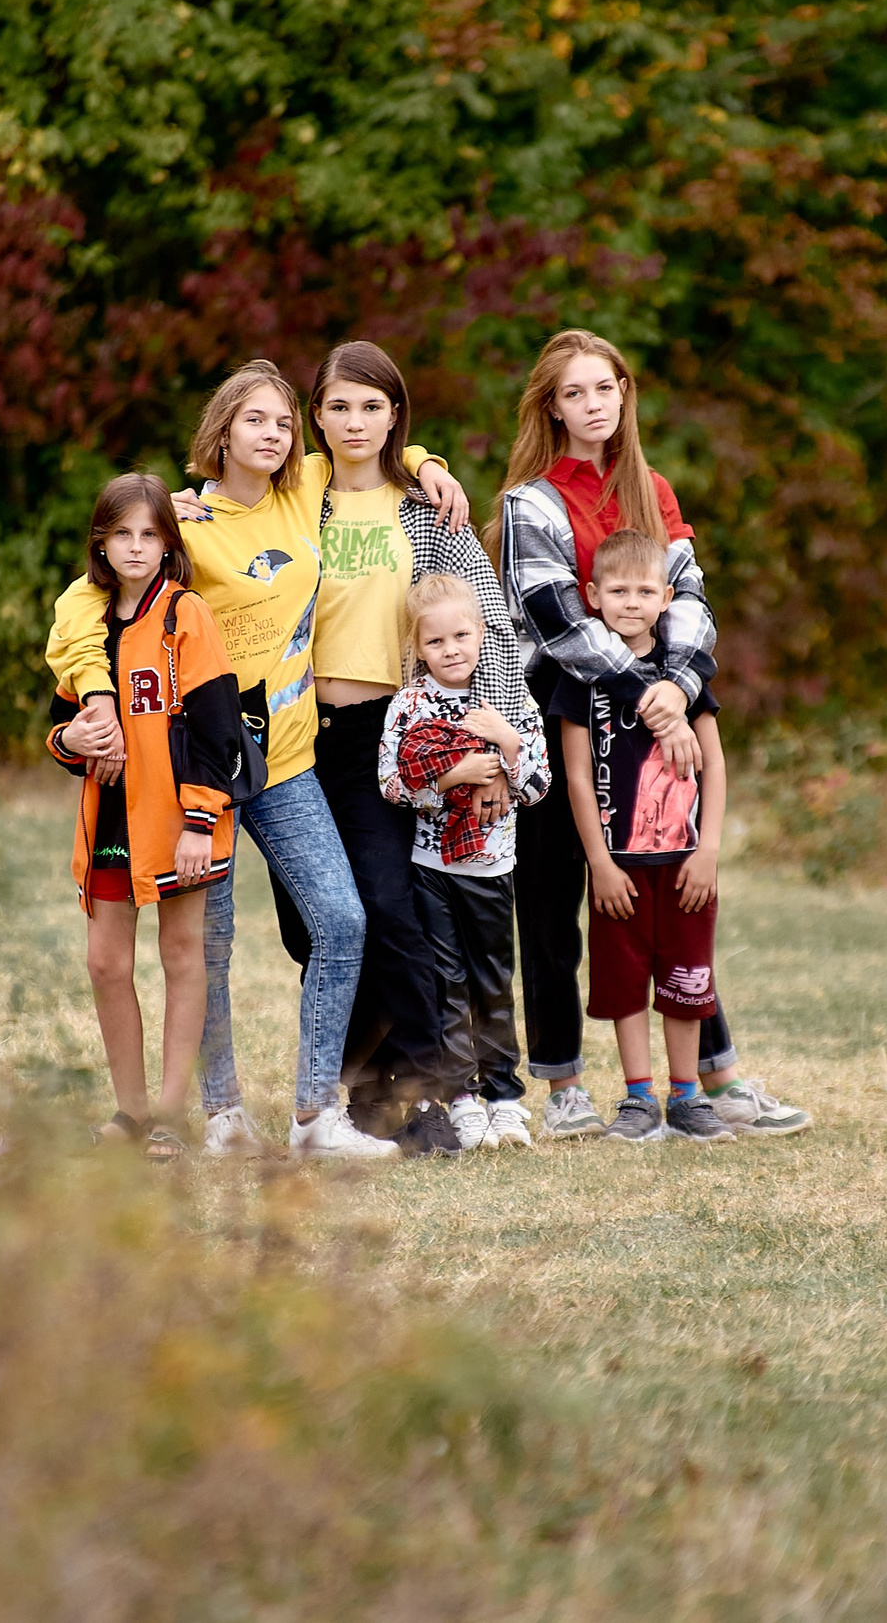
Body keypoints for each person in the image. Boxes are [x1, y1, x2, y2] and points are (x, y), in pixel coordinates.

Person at [46, 362, 436, 1159]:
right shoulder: (180, 520)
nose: (275, 434)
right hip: (198, 770)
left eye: (285, 423)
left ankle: (315, 1115)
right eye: (256, 420)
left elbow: (378, 444)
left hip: (287, 761)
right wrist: (91, 696)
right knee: (208, 947)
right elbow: (85, 600)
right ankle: (223, 1115)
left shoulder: (305, 488)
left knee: (342, 918)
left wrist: (431, 463)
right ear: (221, 430)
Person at [486, 329, 811, 1140]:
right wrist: (649, 694)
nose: (593, 404)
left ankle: (714, 1078)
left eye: (605, 388)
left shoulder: (651, 488)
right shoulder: (532, 502)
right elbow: (556, 621)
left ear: (624, 394)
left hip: (651, 721)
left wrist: (679, 689)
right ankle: (563, 1085)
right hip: (560, 710)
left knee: (669, 898)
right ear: (551, 407)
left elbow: (690, 595)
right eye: (575, 393)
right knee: (557, 901)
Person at [291, 341, 540, 1155]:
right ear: (316, 415)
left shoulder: (427, 509)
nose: (355, 421)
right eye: (338, 406)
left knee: (389, 911)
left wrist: (498, 748)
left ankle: (421, 1091)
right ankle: (363, 1090)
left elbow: (487, 624)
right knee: (312, 927)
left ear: (396, 414)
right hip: (296, 734)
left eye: (373, 405)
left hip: (382, 733)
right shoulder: (295, 499)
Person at [44, 475, 244, 1160]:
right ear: (101, 540)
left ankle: (167, 1113)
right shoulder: (86, 618)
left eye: (148, 533)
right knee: (105, 962)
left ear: (168, 542)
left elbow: (219, 729)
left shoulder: (185, 614)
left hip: (180, 819)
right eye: (121, 533)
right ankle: (128, 1110)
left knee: (182, 956)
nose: (135, 546)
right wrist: (69, 741)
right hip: (110, 822)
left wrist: (199, 820)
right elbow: (62, 722)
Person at [554, 530, 734, 1145]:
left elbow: (713, 761)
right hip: (619, 866)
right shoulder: (583, 676)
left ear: (666, 599)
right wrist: (599, 862)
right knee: (624, 979)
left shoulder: (683, 678)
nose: (630, 602)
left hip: (686, 862)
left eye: (645, 591)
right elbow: (578, 777)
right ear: (593, 596)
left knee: (686, 977)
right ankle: (638, 1098)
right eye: (618, 590)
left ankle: (687, 1097)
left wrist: (709, 849)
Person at [377, 573, 549, 1150]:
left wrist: (508, 745)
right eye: (435, 642)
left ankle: (503, 1095)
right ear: (416, 648)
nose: (450, 650)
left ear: (481, 634)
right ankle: (462, 1097)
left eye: (461, 636)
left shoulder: (508, 697)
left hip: (493, 867)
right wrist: (454, 775)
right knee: (446, 984)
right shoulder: (410, 705)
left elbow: (539, 787)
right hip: (433, 868)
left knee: (493, 983)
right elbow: (391, 785)